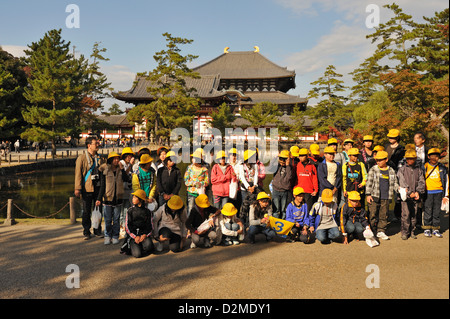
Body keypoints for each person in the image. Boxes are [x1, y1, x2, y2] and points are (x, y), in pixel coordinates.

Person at [74, 136, 106, 240]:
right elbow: (78, 174)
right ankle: (86, 230)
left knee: (98, 210)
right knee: (86, 210)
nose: (97, 145)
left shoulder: (100, 158)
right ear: (89, 145)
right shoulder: (82, 158)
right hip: (87, 188)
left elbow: (105, 172)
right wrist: (77, 188)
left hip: (98, 188)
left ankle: (97, 230)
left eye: (97, 143)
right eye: (95, 143)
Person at [96, 152, 129, 245]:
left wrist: (122, 169)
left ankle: (115, 236)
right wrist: (99, 198)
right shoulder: (105, 170)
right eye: (114, 159)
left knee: (116, 219)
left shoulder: (120, 170)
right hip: (107, 198)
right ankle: (107, 236)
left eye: (118, 159)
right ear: (110, 160)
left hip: (118, 198)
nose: (116, 160)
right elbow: (102, 185)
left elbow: (127, 179)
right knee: (107, 219)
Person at [366, 150, 399, 241]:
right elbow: (369, 182)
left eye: (380, 160)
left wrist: (399, 189)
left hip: (386, 196)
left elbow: (395, 183)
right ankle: (371, 231)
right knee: (372, 214)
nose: (378, 162)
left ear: (386, 160)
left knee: (383, 215)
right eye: (377, 160)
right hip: (374, 195)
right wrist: (368, 194)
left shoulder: (391, 170)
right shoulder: (373, 169)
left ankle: (381, 231)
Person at [397, 150, 425, 240]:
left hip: (415, 196)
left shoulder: (419, 170)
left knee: (414, 215)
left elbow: (422, 182)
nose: (410, 160)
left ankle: (412, 231)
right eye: (408, 159)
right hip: (405, 197)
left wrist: (418, 192)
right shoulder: (402, 170)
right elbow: (402, 182)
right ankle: (405, 232)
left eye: (412, 159)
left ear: (415, 159)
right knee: (405, 215)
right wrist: (409, 193)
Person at [423, 148, 449, 238]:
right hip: (428, 192)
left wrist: (446, 195)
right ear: (428, 156)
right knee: (428, 210)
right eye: (433, 155)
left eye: (437, 155)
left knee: (437, 211)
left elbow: (446, 182)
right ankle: (427, 228)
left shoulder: (442, 167)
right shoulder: (425, 166)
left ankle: (435, 228)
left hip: (439, 192)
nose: (435, 157)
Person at [123, 189, 154, 258]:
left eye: (135, 197)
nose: (132, 199)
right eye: (133, 197)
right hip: (134, 235)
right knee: (137, 254)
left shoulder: (148, 211)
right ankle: (134, 246)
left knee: (149, 246)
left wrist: (145, 235)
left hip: (143, 234)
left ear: (140, 200)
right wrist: (135, 236)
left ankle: (141, 245)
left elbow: (150, 226)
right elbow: (127, 226)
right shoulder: (130, 211)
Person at [236, 149, 259, 225]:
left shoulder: (255, 165)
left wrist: (254, 186)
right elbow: (242, 177)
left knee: (252, 206)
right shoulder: (241, 166)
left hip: (253, 188)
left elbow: (256, 176)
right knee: (244, 206)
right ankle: (243, 223)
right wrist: (248, 187)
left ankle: (250, 222)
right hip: (245, 189)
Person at [184, 149, 209, 216]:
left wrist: (201, 183)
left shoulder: (204, 169)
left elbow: (207, 182)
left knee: (200, 211)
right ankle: (188, 224)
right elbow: (186, 181)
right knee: (190, 209)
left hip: (200, 193)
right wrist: (193, 183)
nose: (192, 160)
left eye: (194, 158)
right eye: (192, 158)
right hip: (191, 192)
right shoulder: (189, 168)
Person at [271, 150, 293, 219]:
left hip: (284, 191)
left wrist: (287, 165)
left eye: (284, 159)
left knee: (283, 210)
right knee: (276, 209)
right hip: (276, 190)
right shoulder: (277, 166)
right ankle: (275, 223)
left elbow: (289, 177)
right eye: (281, 159)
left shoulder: (289, 167)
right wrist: (275, 158)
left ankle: (283, 222)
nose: (282, 161)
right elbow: (270, 168)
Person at [295, 148, 318, 213]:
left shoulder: (312, 166)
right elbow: (295, 178)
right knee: (299, 211)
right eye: (299, 156)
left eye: (302, 156)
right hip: (299, 191)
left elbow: (314, 178)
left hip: (309, 191)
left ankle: (308, 223)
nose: (300, 157)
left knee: (309, 210)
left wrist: (316, 190)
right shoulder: (298, 165)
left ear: (307, 156)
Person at [119, 147, 135, 235]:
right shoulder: (121, 163)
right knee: (122, 210)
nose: (130, 158)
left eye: (131, 156)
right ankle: (121, 227)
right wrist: (130, 165)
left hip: (128, 190)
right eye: (128, 156)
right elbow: (124, 176)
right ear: (125, 156)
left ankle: (125, 226)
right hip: (122, 190)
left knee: (127, 209)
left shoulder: (129, 165)